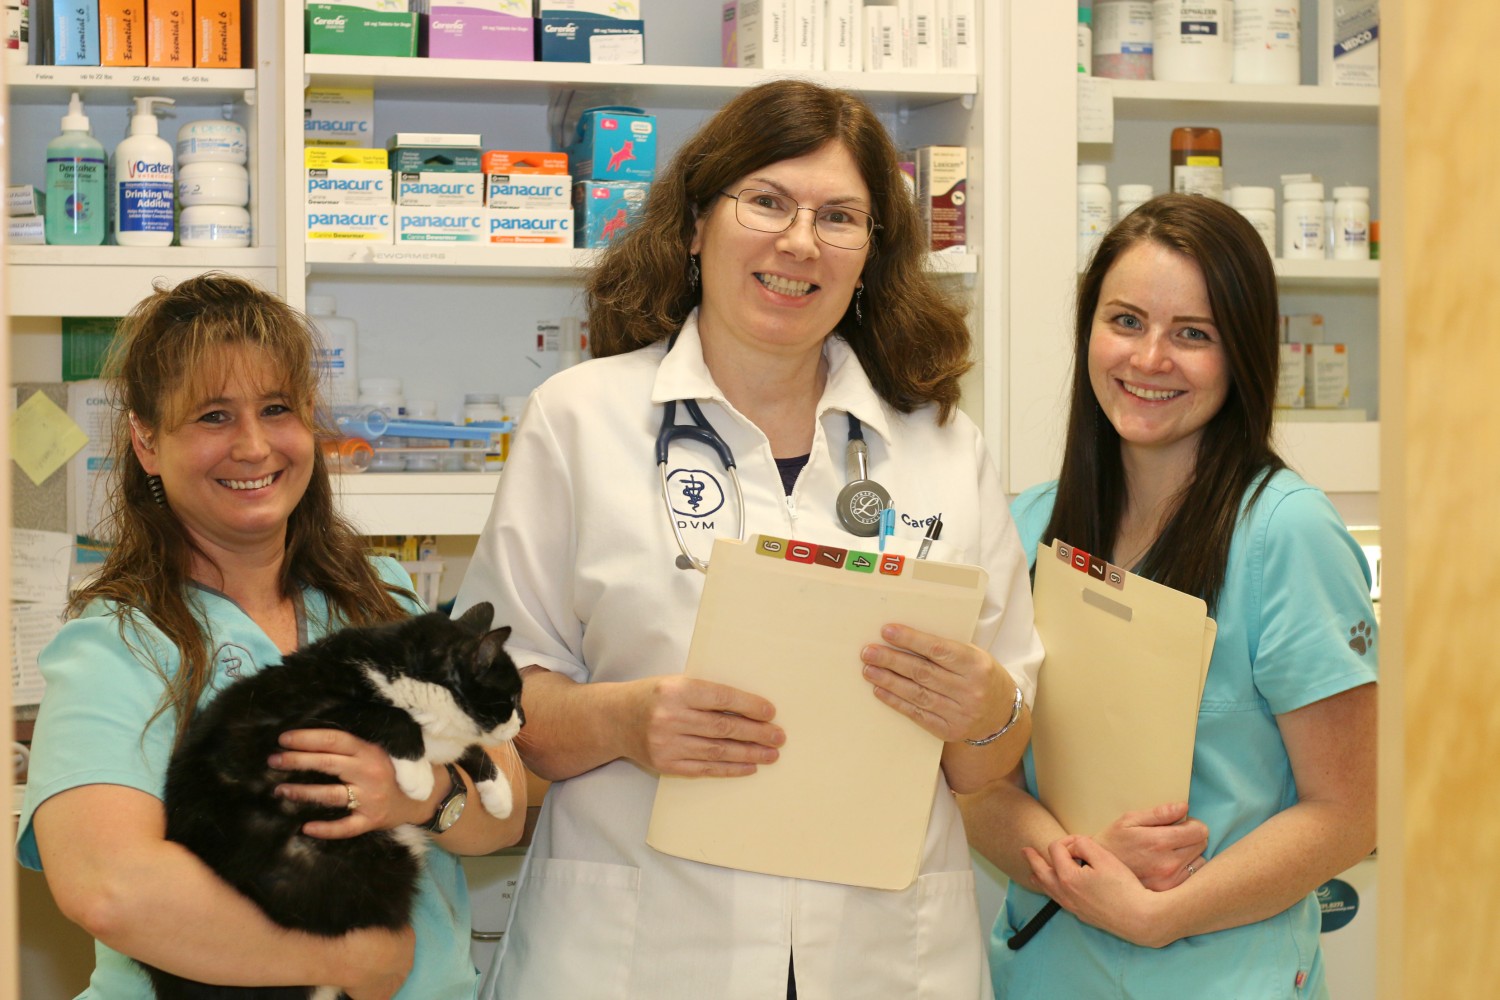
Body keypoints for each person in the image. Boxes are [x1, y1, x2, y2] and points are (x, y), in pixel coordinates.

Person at [454, 79, 1043, 999]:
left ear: (869, 257)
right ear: (695, 224)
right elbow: (497, 707)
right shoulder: (578, 421)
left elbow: (987, 758)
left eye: (840, 217)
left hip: (884, 957)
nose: (800, 242)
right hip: (641, 951)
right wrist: (622, 721)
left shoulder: (940, 447)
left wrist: (986, 707)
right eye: (767, 201)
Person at [15, 272, 527, 999]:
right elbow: (111, 887)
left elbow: (505, 802)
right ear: (146, 442)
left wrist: (415, 796)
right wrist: (339, 961)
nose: (254, 447)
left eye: (277, 409)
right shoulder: (116, 644)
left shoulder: (380, 596)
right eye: (213, 417)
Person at [960, 194, 1378, 998]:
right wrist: (1080, 866)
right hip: (1047, 969)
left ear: (1243, 354)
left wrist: (1160, 914)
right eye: (1125, 321)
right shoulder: (1030, 524)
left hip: (1224, 974)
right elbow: (981, 783)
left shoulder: (1284, 534)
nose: (1150, 358)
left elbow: (1346, 813)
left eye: (1193, 334)